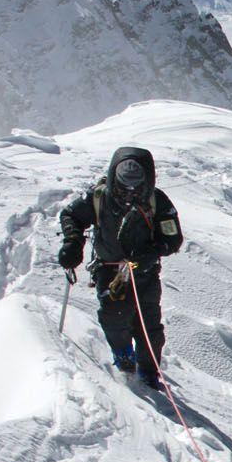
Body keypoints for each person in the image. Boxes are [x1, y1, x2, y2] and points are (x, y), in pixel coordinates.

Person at [57, 146, 182, 387]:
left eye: (137, 184)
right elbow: (71, 215)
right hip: (109, 269)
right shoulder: (99, 197)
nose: (131, 191)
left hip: (144, 271)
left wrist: (152, 252)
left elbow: (173, 238)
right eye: (125, 184)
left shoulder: (158, 202)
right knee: (114, 317)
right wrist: (73, 242)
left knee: (149, 327)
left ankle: (149, 372)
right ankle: (123, 354)